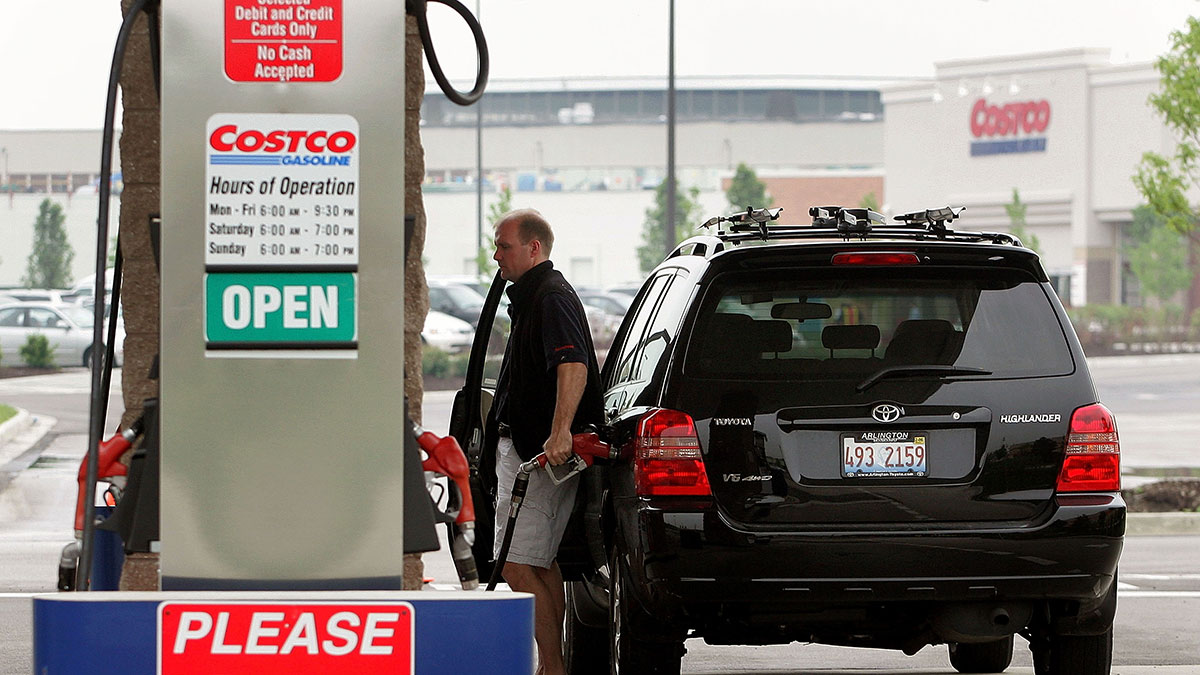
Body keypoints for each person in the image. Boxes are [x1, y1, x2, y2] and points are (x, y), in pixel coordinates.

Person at [488, 208, 604, 675]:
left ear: (533, 248)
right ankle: (554, 666)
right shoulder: (537, 296)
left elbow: (572, 363)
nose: (496, 256)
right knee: (541, 564)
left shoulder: (550, 297)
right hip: (533, 451)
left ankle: (551, 667)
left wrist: (559, 433)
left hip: (538, 456)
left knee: (515, 566)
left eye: (504, 246)